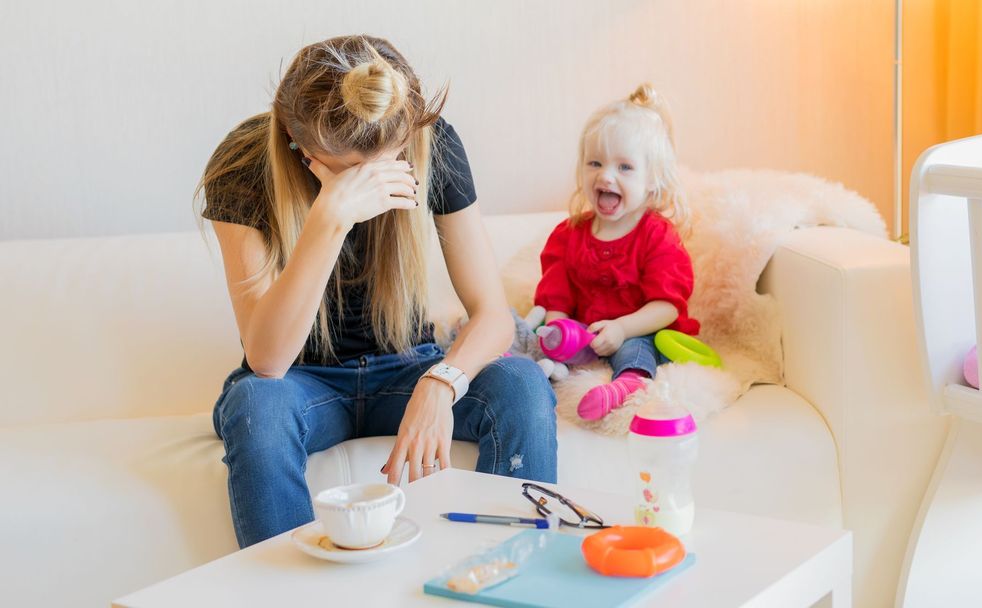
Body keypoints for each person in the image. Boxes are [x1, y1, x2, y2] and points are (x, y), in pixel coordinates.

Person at [197, 35, 557, 548]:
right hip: (301, 381)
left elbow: (492, 315)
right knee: (256, 405)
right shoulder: (244, 164)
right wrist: (331, 217)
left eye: (388, 165)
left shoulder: (433, 144)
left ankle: (503, 576)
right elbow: (268, 360)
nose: (373, 184)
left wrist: (441, 383)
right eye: (350, 173)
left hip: (407, 366)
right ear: (299, 149)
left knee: (521, 384)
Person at [534, 84, 699, 421]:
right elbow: (557, 298)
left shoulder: (657, 235)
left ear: (652, 180)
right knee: (540, 340)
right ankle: (542, 373)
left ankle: (629, 384)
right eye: (595, 163)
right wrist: (558, 332)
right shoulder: (569, 235)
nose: (606, 175)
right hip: (588, 333)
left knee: (635, 349)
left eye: (624, 167)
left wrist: (623, 328)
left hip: (639, 330)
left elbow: (667, 306)